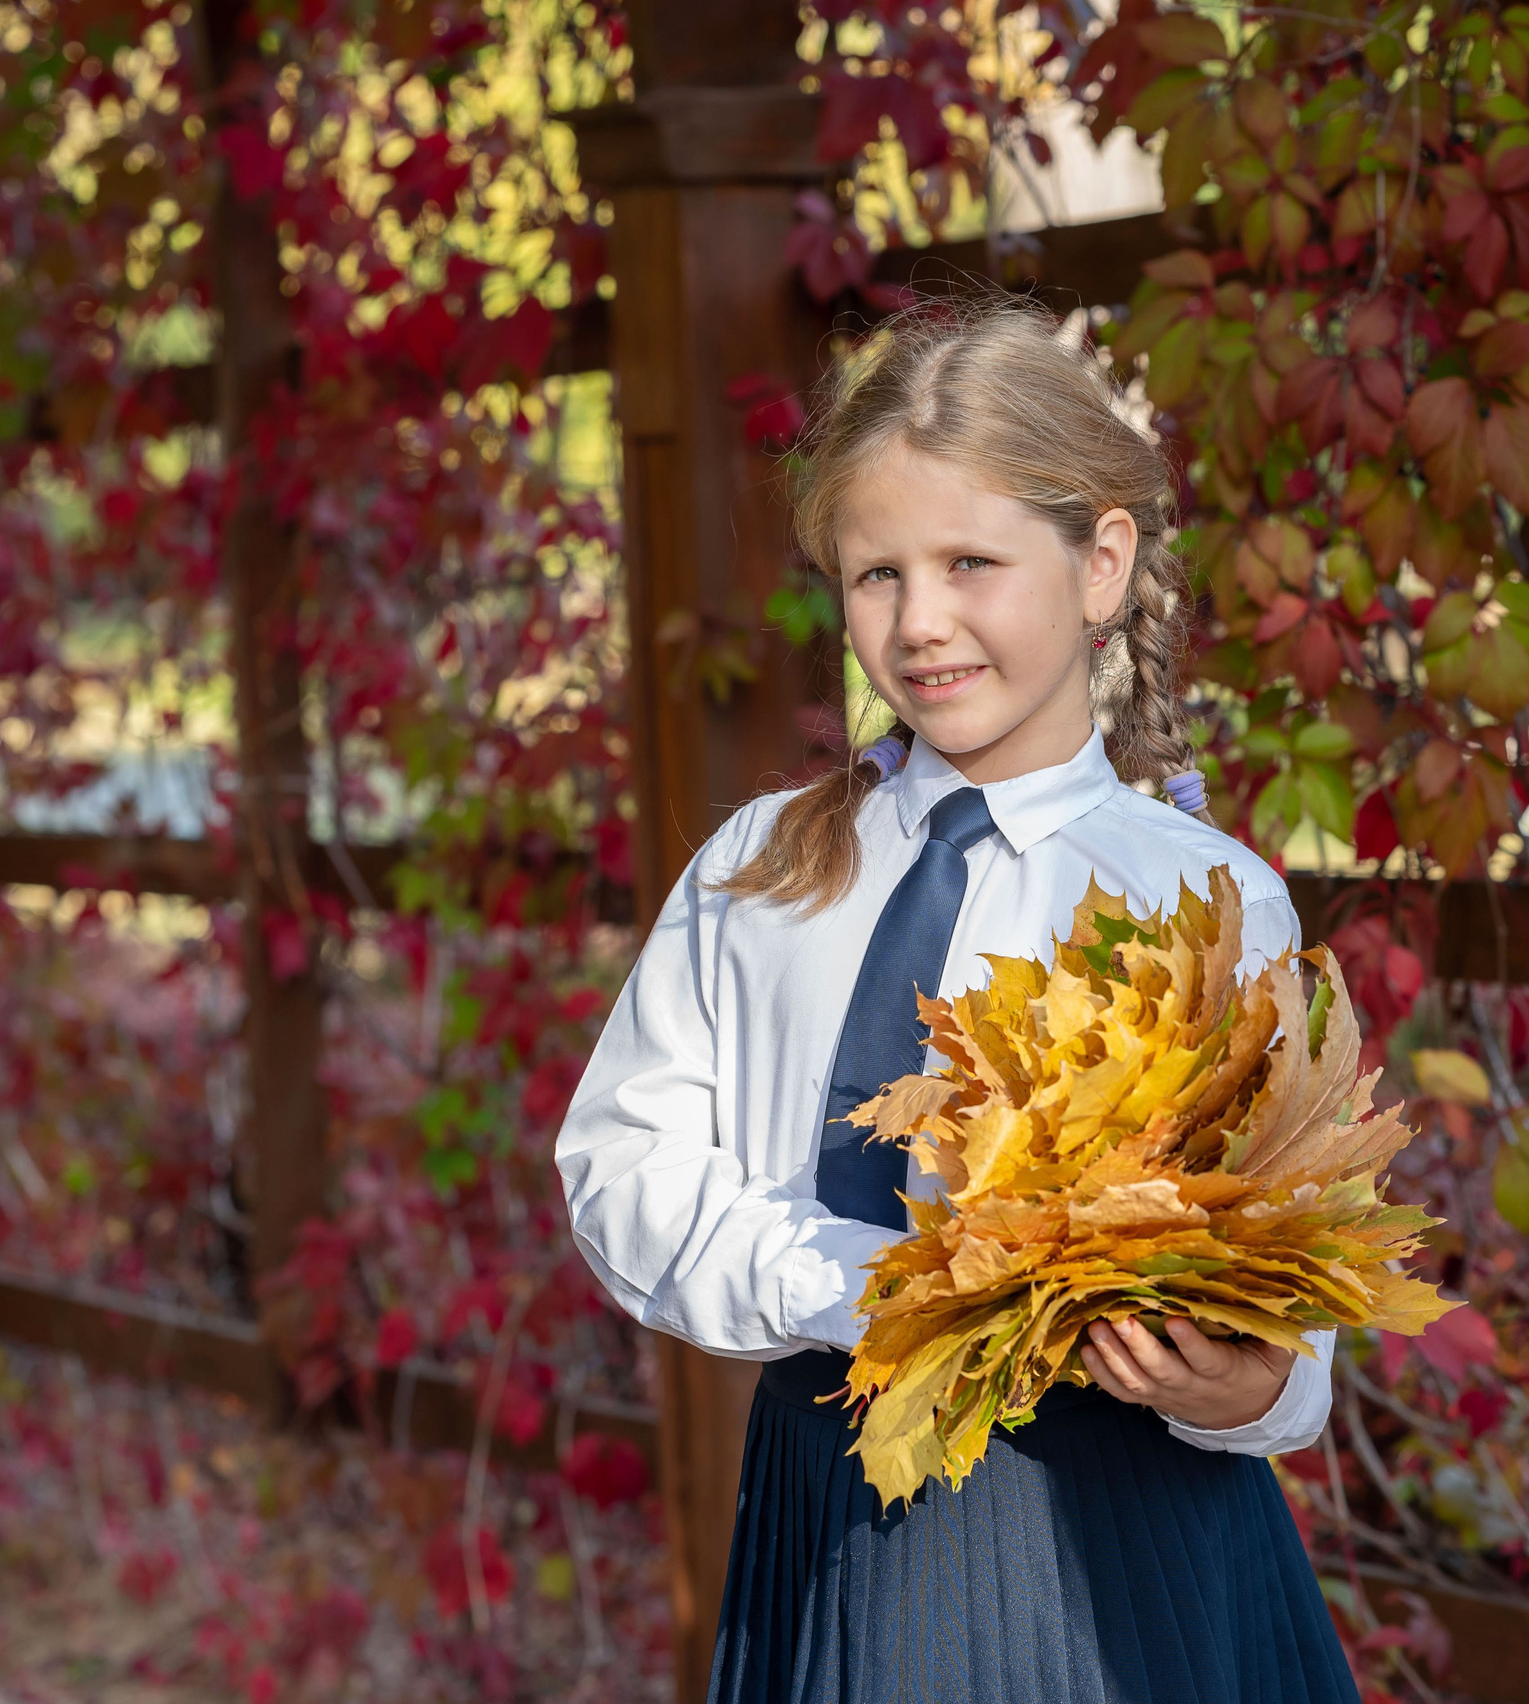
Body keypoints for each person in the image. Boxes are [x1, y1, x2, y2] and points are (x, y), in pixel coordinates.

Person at [555, 297, 1359, 1704]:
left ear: (1102, 562)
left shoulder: (1211, 905)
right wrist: (874, 1288)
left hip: (1125, 1540)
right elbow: (623, 1167)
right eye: (878, 577)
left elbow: (1288, 1324)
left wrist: (1244, 1387)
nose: (920, 622)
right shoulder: (760, 870)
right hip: (843, 1520)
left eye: (972, 563)